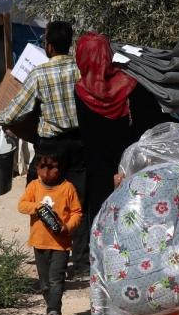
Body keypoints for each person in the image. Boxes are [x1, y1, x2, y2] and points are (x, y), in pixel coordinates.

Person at [73, 32, 171, 279]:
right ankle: (139, 267)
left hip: (97, 169)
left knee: (102, 218)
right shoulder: (131, 86)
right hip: (130, 165)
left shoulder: (80, 92)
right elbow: (151, 123)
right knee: (134, 216)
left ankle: (108, 272)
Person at [0, 20, 86, 225]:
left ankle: (47, 244)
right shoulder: (81, 70)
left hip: (50, 147)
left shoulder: (40, 73)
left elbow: (17, 110)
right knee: (79, 201)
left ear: (49, 46)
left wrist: (1, 117)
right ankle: (82, 255)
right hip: (78, 144)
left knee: (41, 196)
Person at [16, 145, 83, 315]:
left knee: (56, 278)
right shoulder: (34, 186)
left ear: (60, 168)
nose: (47, 172)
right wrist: (37, 207)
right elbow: (22, 205)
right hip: (39, 242)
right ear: (37, 168)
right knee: (44, 283)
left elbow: (77, 212)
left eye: (52, 167)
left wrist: (67, 227)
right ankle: (50, 309)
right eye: (42, 167)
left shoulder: (68, 188)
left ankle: (54, 311)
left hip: (60, 244)